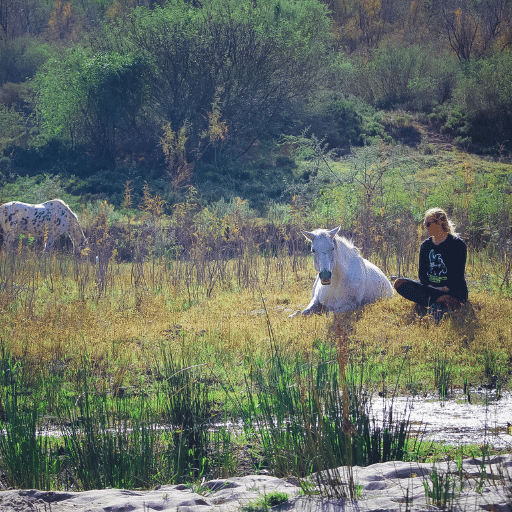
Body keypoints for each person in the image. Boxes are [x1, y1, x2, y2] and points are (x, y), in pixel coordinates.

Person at [394, 208, 468, 321]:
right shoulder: (426, 246)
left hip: (452, 290)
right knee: (400, 284)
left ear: (439, 223)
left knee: (446, 298)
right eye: (424, 224)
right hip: (432, 289)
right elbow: (422, 273)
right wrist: (430, 286)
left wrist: (445, 288)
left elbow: (458, 275)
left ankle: (438, 306)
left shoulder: (458, 245)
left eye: (428, 224)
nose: (425, 227)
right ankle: (441, 302)